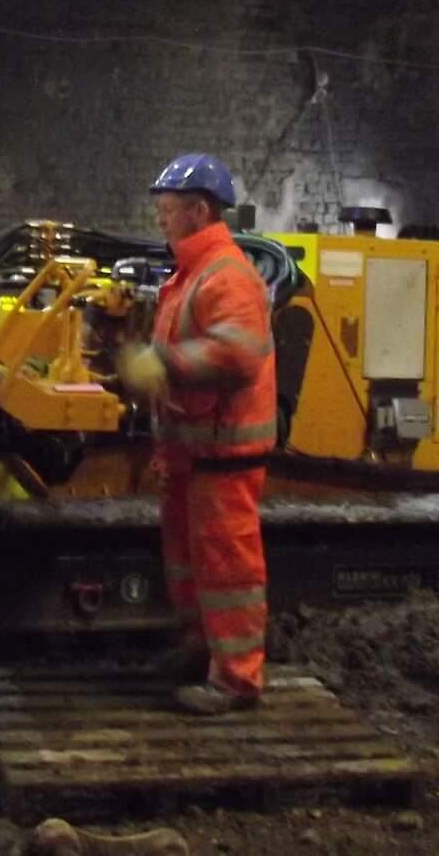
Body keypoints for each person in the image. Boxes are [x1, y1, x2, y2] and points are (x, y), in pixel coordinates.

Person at [116, 153, 277, 715]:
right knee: (188, 566)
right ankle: (197, 651)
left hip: (223, 452)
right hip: (193, 449)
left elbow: (238, 353)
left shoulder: (225, 275)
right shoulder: (189, 275)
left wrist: (161, 361)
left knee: (227, 570)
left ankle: (236, 681)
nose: (160, 219)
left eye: (167, 209)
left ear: (198, 209)